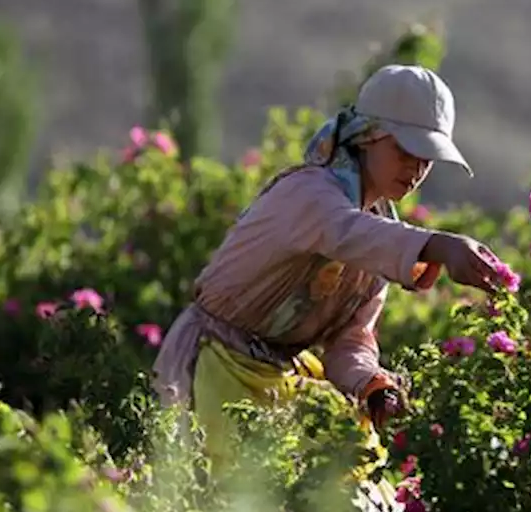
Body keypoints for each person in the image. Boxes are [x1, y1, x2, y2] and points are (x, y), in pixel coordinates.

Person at [151, 64, 504, 476]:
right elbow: (346, 233)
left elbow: (349, 340)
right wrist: (437, 245)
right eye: (405, 152)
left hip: (276, 377)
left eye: (426, 159)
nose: (416, 170)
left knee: (350, 481)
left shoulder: (380, 232)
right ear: (367, 137)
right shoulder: (310, 193)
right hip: (211, 366)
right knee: (218, 502)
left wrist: (370, 385)